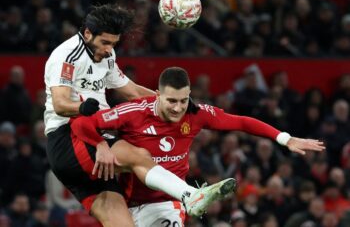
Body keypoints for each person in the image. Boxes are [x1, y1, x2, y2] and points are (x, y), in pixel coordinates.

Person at [44, 4, 233, 227]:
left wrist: (167, 100)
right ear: (87, 33)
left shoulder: (107, 55)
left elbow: (131, 90)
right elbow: (60, 103)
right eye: (104, 42)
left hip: (88, 152)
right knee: (139, 155)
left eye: (113, 44)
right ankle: (190, 195)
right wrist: (84, 109)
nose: (108, 49)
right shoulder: (66, 56)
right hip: (69, 137)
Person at [70, 67, 325, 227]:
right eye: (171, 100)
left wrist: (284, 138)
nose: (178, 108)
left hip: (167, 204)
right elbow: (82, 124)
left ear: (189, 93)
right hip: (127, 203)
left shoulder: (197, 113)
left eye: (183, 100)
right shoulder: (134, 111)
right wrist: (101, 144)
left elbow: (241, 122)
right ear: (157, 94)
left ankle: (191, 196)